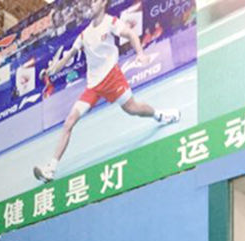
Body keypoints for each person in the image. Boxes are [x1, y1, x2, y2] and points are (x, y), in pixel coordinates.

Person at [34, 0, 180, 184]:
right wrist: (52, 70)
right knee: (69, 121)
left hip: (112, 78)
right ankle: (51, 169)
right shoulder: (84, 34)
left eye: (95, 1)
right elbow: (68, 56)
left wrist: (140, 54)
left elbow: (131, 34)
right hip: (93, 87)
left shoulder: (111, 22)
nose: (91, 5)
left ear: (103, 3)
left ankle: (160, 115)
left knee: (133, 108)